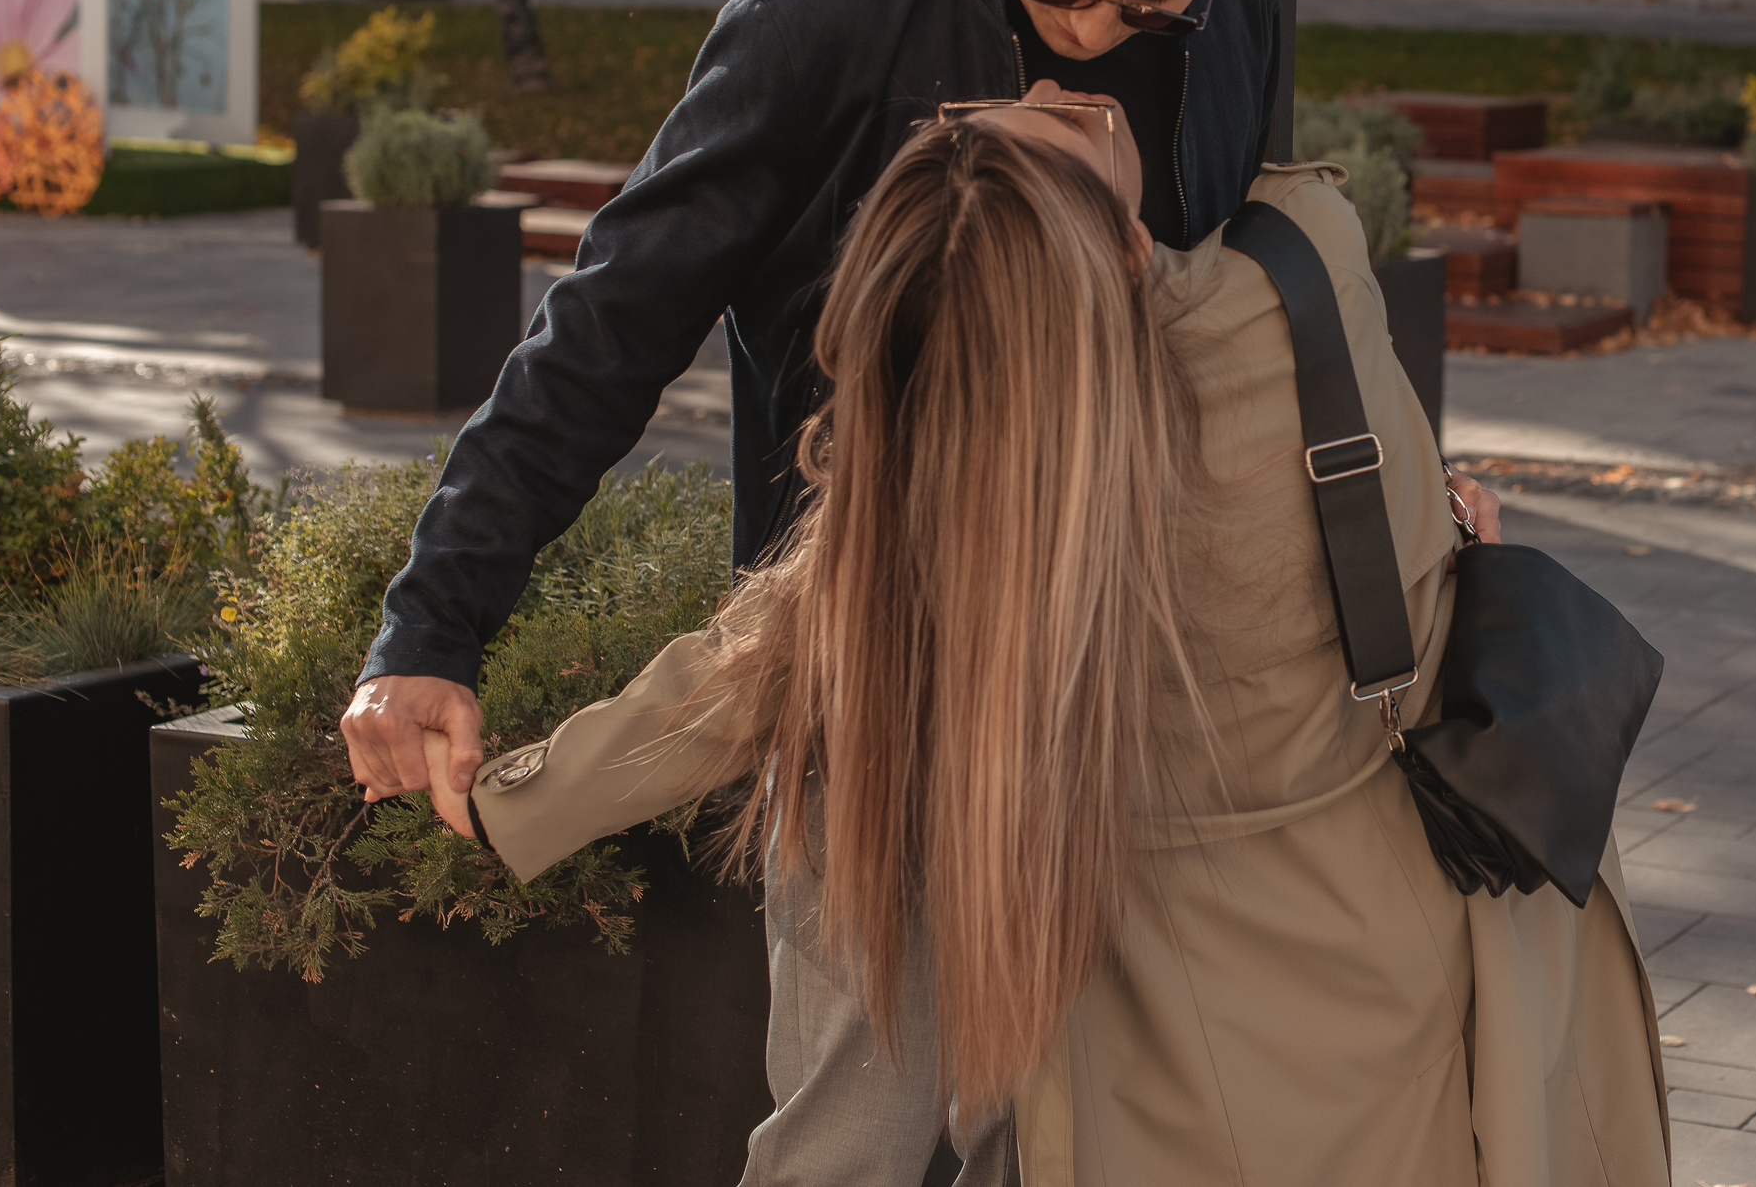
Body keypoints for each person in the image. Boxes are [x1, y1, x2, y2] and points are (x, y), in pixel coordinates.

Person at [414, 101, 1671, 1186]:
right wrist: (1442, 526)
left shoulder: (949, 524)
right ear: (1120, 251)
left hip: (1169, 1046)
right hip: (1404, 957)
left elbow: (742, 671)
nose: (1058, 90)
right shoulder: (1302, 264)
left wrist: (504, 797)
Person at [343, 0, 1496, 802]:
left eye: (1150, 7)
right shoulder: (816, 26)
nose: (1096, 31)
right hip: (872, 693)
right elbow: (602, 337)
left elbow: (1248, 308)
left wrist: (1399, 485)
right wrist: (430, 629)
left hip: (1142, 678)